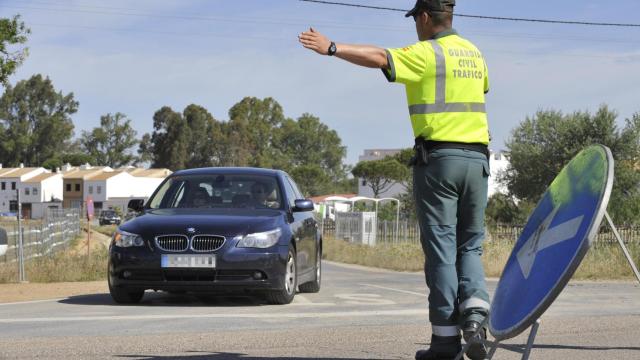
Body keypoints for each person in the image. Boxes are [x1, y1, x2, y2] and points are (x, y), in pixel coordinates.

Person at [299, 1, 491, 359]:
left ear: (423, 17)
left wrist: (333, 48)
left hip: (440, 161)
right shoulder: (474, 54)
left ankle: (445, 343)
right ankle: (476, 320)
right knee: (470, 246)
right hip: (479, 161)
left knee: (442, 252)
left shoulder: (427, 53)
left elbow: (380, 57)